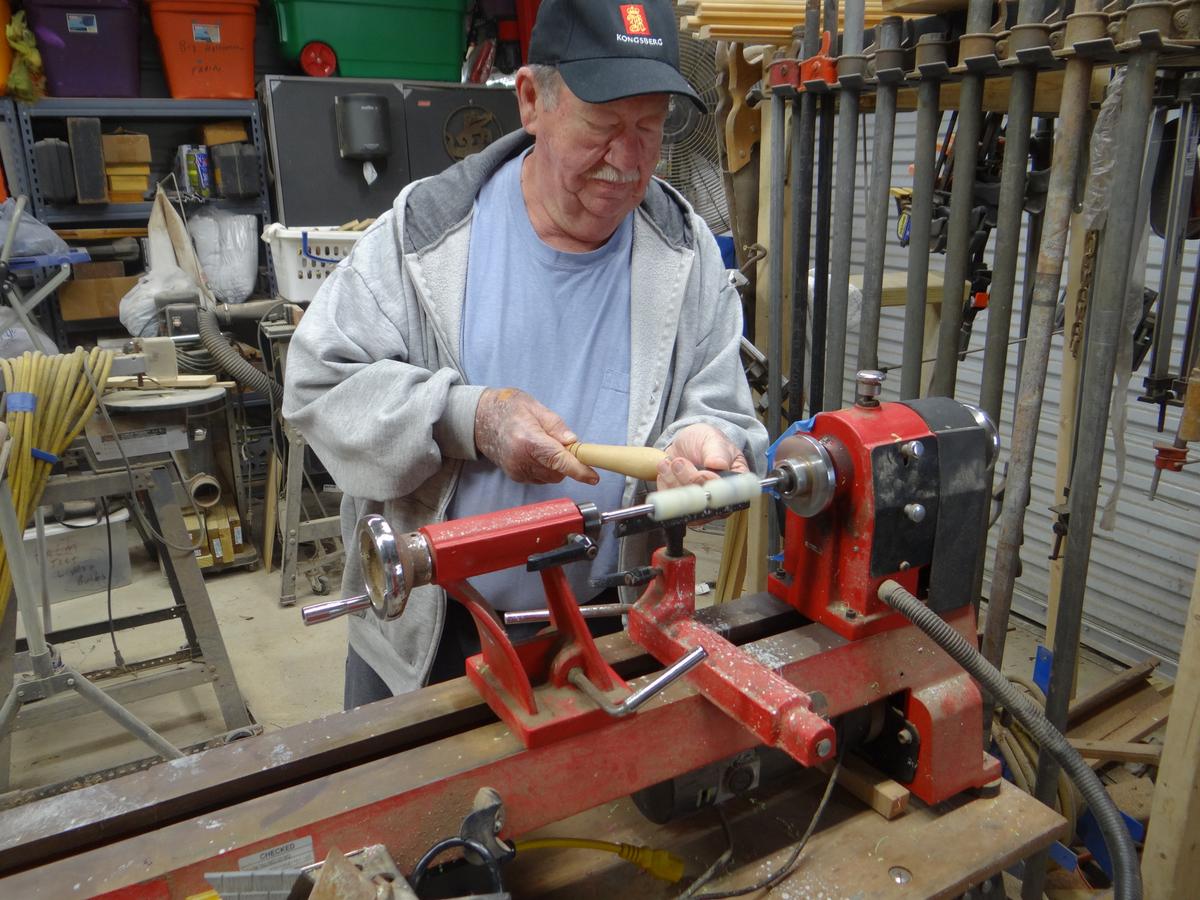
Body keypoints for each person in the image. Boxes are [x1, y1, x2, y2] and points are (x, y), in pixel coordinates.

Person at [283, 0, 768, 709]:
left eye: (649, 127)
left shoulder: (684, 252)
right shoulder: (424, 234)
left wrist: (702, 443)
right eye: (603, 125)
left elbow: (724, 411)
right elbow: (318, 386)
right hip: (432, 635)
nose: (629, 159)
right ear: (532, 100)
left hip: (608, 626)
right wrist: (469, 418)